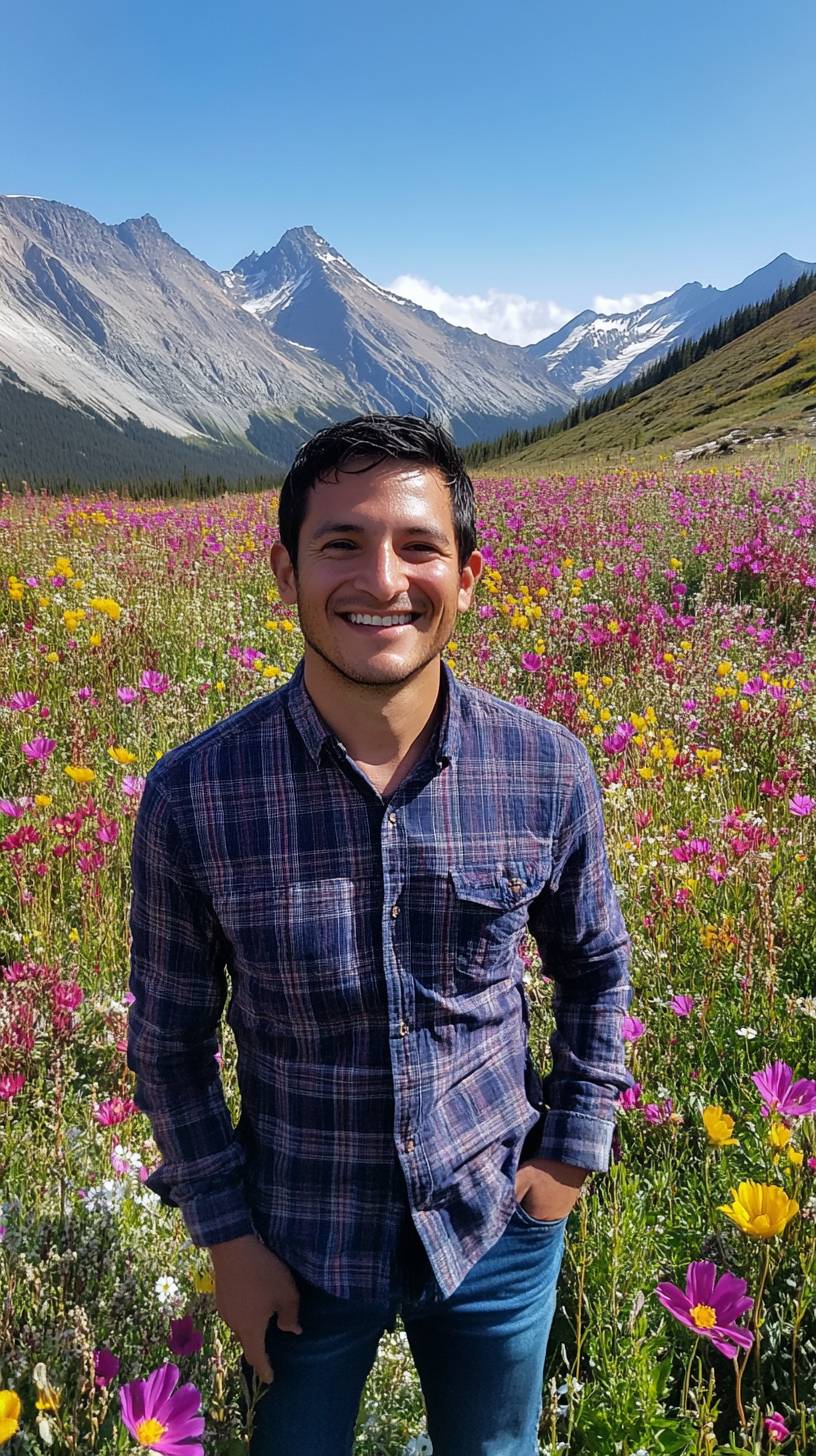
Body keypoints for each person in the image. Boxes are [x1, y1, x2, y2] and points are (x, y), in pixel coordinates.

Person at [127, 413, 633, 1455]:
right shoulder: (195, 796)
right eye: (342, 544)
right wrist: (227, 1235)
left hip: (497, 1223)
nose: (382, 579)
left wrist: (569, 1158)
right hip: (294, 1239)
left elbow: (596, 967)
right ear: (285, 570)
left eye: (418, 545)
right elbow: (169, 1041)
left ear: (470, 574)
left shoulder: (546, 769)